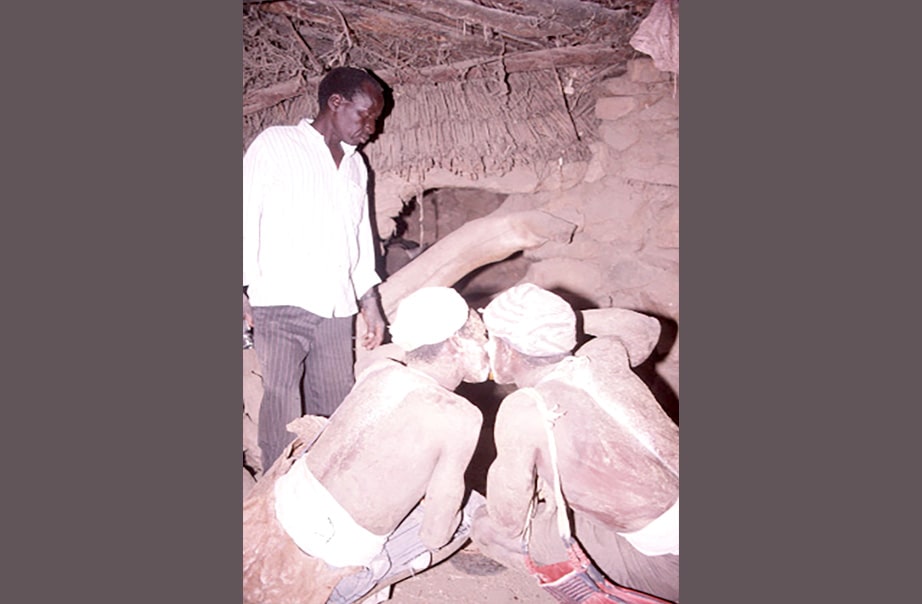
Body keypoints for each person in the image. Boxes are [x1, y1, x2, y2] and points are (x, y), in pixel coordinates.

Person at [243, 286, 492, 604]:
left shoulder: (381, 370)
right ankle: (363, 587)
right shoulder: (460, 416)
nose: (487, 345)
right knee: (469, 511)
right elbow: (436, 534)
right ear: (455, 342)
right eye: (481, 335)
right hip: (331, 567)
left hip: (270, 523)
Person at [471, 283, 680, 603]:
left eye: (491, 339)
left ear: (507, 349)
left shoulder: (525, 410)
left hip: (674, 566)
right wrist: (553, 321)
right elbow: (644, 329)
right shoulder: (603, 355)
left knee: (485, 527)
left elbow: (508, 522)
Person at [242, 66, 388, 471]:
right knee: (283, 404)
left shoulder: (357, 167)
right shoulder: (276, 144)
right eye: (366, 115)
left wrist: (369, 300)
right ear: (335, 103)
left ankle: (324, 491)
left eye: (375, 119)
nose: (372, 128)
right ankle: (276, 493)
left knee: (335, 407)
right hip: (281, 300)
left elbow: (360, 237)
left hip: (337, 307)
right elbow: (243, 211)